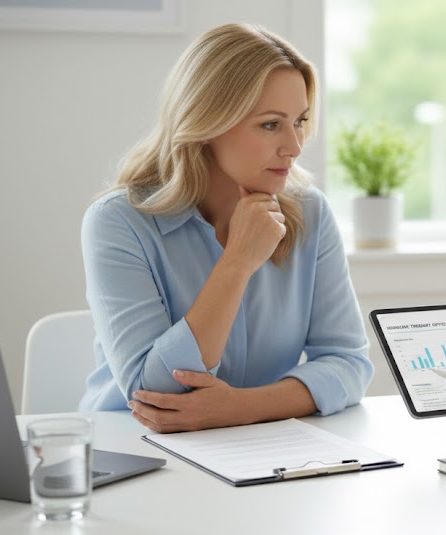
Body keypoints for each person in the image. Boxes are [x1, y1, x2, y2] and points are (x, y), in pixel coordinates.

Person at [79, 23, 373, 433]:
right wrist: (236, 263)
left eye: (300, 121)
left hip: (262, 447)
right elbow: (157, 394)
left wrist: (240, 408)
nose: (295, 145)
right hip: (136, 447)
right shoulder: (119, 221)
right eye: (271, 124)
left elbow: (349, 364)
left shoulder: (310, 212)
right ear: (208, 123)